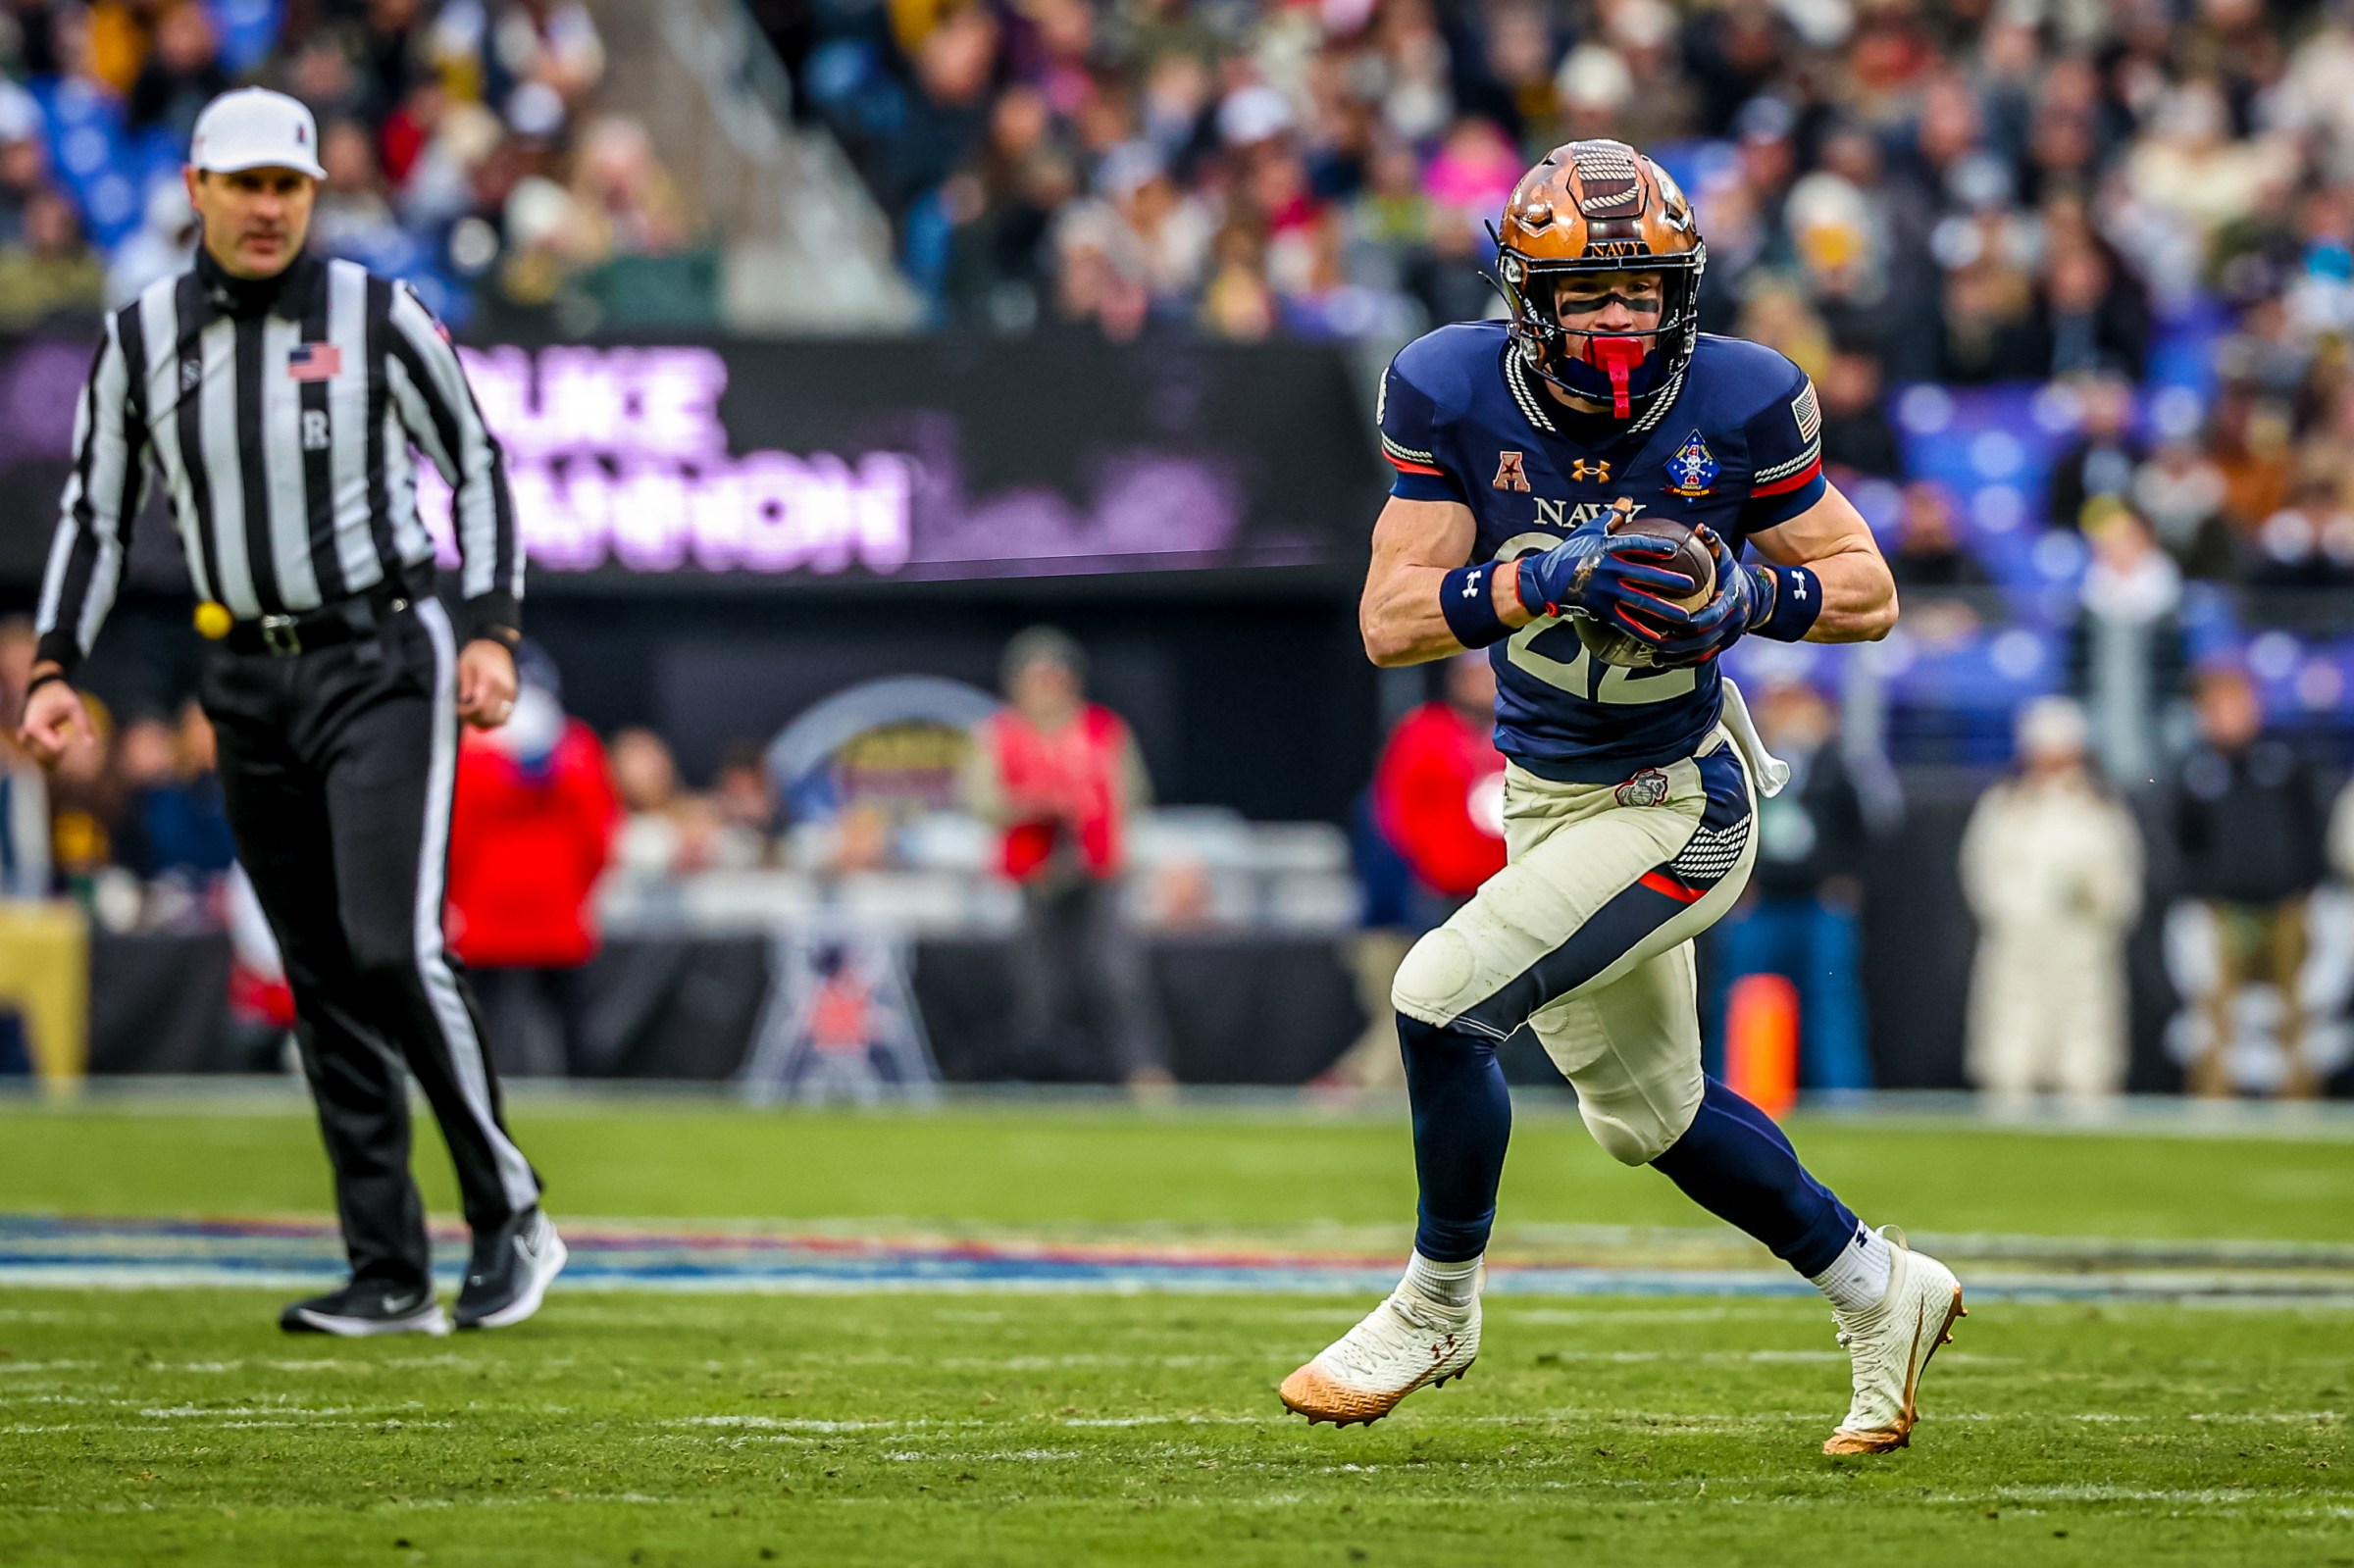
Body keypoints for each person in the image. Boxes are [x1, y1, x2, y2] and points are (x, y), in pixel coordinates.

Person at [1283, 139, 1962, 1454]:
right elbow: (1387, 619)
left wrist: (1754, 593)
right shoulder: (1448, 387)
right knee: (1650, 1115)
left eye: (1643, 289)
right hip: (1543, 787)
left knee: (1438, 996)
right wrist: (1545, 580)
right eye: (1588, 294)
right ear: (1525, 299)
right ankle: (1883, 1286)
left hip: (1680, 792)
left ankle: (1436, 1302)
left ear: (1684, 290)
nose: (1619, 319)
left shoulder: (1743, 397)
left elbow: (1871, 589)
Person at [15, 89, 563, 1337]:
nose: (269, 207)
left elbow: (476, 459)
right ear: (197, 186)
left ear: (314, 193)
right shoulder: (144, 337)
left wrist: (492, 632)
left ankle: (509, 1213)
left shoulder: (378, 311)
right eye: (246, 183)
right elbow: (94, 517)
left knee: (389, 946)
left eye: (290, 185)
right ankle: (389, 1268)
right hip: (244, 677)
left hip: (380, 653)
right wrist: (55, 664)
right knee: (318, 975)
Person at [964, 627, 1171, 1088]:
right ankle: (1041, 1076)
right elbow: (981, 800)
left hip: (1095, 870)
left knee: (1120, 976)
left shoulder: (1103, 730)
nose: (1049, 689)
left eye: (1057, 677)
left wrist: (1100, 830)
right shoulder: (1000, 735)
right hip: (1034, 874)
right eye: (1038, 678)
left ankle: (1144, 1072)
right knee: (1037, 986)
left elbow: (1131, 795)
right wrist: (1033, 803)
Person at [1960, 696, 2143, 1101]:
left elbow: (2122, 874)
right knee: (2009, 1016)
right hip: (2019, 935)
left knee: (2087, 1018)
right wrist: (2010, 913)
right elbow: (1981, 869)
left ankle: (2085, 1089)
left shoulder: (2099, 808)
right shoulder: (2004, 805)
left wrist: (2099, 900)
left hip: (2080, 936)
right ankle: (2008, 1088)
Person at [445, 647, 618, 1078]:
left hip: (487, 912)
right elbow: (599, 836)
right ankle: (589, 1096)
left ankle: (473, 1094)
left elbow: (453, 837)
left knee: (479, 1024)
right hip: (558, 912)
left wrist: (456, 898)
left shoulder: (468, 752)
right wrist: (583, 894)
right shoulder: (577, 748)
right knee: (573, 1026)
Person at [2164, 664, 2328, 1098]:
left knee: (2297, 1009)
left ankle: (2299, 1102)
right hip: (2223, 910)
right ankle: (2214, 1102)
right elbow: (2183, 841)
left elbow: (2309, 829)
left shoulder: (2284, 760)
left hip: (2285, 904)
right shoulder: (2195, 770)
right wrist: (2202, 892)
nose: (2229, 715)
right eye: (2218, 706)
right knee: (2214, 1012)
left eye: (2238, 704)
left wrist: (2303, 887)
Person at [1709, 679, 1873, 1092]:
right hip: (1760, 903)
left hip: (1818, 904)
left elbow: (1861, 828)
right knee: (1741, 999)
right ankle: (1732, 1091)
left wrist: (1844, 881)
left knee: (1831, 1002)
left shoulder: (1836, 766)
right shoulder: (1741, 762)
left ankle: (1843, 1095)